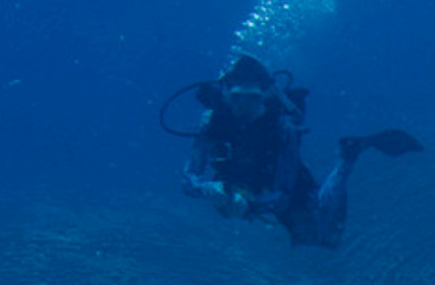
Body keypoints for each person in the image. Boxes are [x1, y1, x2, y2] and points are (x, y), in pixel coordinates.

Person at [160, 54, 421, 248]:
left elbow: (283, 192)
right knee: (232, 212)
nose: (243, 107)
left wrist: (251, 205)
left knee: (324, 236)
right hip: (238, 188)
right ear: (225, 93)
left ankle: (348, 155)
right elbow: (187, 180)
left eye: (252, 98)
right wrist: (209, 189)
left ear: (264, 96)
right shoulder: (211, 123)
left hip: (279, 184)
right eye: (237, 97)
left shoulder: (281, 126)